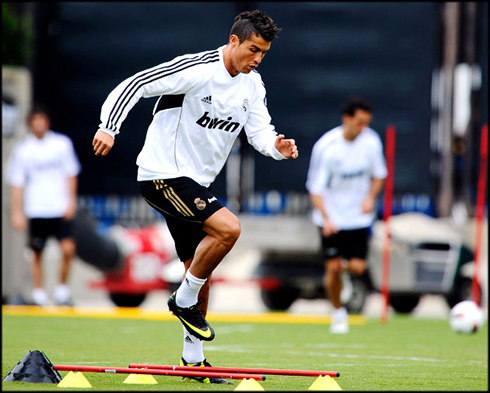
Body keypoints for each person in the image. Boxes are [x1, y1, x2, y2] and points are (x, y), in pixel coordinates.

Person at [92, 10, 298, 383]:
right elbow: (134, 84)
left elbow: (260, 130)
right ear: (234, 41)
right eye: (253, 49)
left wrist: (276, 146)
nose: (257, 58)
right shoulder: (197, 68)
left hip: (195, 186)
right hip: (162, 176)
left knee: (198, 270)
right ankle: (182, 300)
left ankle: (193, 362)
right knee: (228, 230)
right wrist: (109, 127)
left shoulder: (253, 85)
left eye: (264, 53)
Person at [306, 97, 387, 334]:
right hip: (331, 218)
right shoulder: (327, 147)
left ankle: (345, 278)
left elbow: (379, 175)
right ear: (347, 119)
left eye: (367, 123)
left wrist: (370, 198)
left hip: (358, 218)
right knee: (332, 269)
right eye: (360, 123)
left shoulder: (371, 141)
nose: (364, 128)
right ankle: (339, 313)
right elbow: (315, 188)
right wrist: (327, 219)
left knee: (358, 267)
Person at [7, 106, 81, 307]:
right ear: (30, 123)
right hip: (37, 208)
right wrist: (17, 212)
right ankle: (39, 293)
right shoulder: (23, 150)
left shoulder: (61, 144)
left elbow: (71, 173)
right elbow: (17, 183)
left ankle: (62, 291)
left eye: (42, 120)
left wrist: (70, 202)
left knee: (67, 249)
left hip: (59, 206)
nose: (39, 124)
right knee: (37, 252)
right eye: (35, 120)